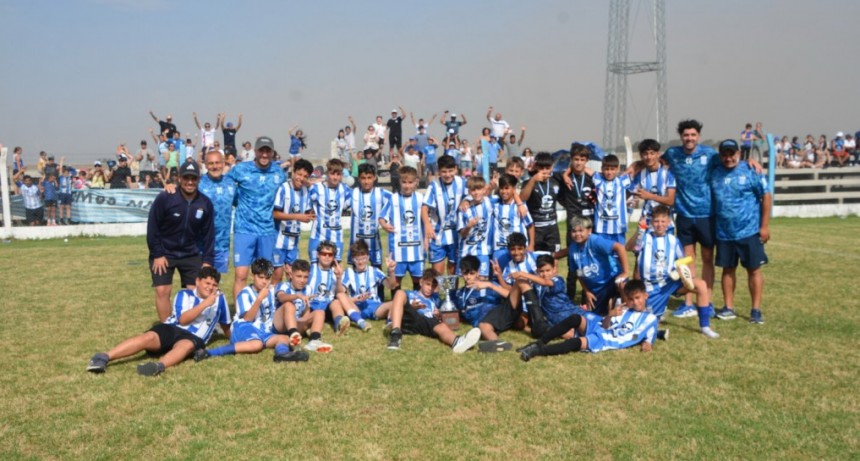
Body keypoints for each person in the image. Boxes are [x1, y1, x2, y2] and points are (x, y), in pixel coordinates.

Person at [87, 266, 231, 376]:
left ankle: (157, 367)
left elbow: (225, 324)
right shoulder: (184, 295)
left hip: (195, 337)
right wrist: (205, 303)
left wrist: (234, 338)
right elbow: (183, 320)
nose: (210, 288)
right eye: (207, 283)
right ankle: (104, 357)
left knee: (186, 346)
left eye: (214, 285)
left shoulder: (220, 300)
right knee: (148, 337)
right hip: (172, 328)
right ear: (198, 281)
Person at [659, 120, 720, 319]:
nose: (690, 138)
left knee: (708, 259)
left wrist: (750, 163)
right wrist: (633, 167)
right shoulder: (673, 154)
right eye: (686, 135)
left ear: (698, 136)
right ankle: (688, 303)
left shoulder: (710, 155)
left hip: (706, 215)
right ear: (681, 136)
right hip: (684, 215)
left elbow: (731, 163)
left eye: (693, 135)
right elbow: (652, 161)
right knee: (687, 260)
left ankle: (707, 301)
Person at [193, 258, 307, 363]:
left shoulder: (271, 291)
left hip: (265, 330)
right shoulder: (245, 293)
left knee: (284, 338)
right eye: (260, 277)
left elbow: (282, 296)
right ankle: (209, 353)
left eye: (267, 278)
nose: (264, 282)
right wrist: (259, 299)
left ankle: (282, 354)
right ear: (253, 277)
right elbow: (247, 318)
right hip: (243, 327)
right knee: (257, 344)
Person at [629, 205, 718, 338]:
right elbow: (629, 247)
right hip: (651, 289)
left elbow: (682, 261)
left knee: (701, 285)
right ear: (652, 222)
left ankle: (705, 326)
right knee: (643, 322)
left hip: (670, 283)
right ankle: (656, 329)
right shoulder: (645, 238)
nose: (659, 225)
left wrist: (683, 273)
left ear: (669, 222)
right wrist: (639, 230)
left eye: (663, 221)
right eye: (657, 221)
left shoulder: (673, 241)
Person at [519, 280, 660, 361]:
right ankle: (538, 342)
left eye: (638, 298)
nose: (634, 302)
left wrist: (647, 345)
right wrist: (610, 315)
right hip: (600, 327)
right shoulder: (622, 309)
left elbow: (649, 339)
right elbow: (605, 325)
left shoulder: (651, 319)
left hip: (607, 339)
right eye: (630, 299)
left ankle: (538, 351)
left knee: (576, 342)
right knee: (575, 318)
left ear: (645, 296)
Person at [711, 140, 771, 324]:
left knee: (754, 270)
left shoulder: (752, 170)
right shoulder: (714, 171)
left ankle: (756, 310)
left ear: (739, 153)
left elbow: (766, 197)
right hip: (724, 232)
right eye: (724, 154)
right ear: (720, 155)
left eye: (731, 154)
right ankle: (728, 307)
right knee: (728, 270)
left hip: (749, 231)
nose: (728, 158)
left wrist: (764, 226)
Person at [147, 160, 215, 322]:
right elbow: (152, 227)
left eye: (193, 178)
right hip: (164, 253)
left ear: (199, 179)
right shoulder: (166, 198)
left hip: (190, 253)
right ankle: (167, 329)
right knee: (162, 290)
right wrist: (157, 254)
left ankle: (193, 328)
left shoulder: (205, 203)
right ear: (179, 178)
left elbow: (209, 235)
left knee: (197, 292)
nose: (190, 182)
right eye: (186, 178)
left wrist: (207, 261)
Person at [225, 136, 287, 300]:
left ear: (272, 152)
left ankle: (263, 314)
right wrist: (237, 200)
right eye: (262, 150)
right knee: (241, 275)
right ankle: (240, 316)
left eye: (268, 151)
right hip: (244, 229)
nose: (265, 154)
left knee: (265, 276)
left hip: (267, 231)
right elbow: (226, 186)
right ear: (255, 151)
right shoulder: (240, 169)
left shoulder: (278, 173)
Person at [385, 269, 482, 353]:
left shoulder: (435, 299)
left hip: (424, 322)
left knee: (440, 326)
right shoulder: (410, 294)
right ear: (420, 282)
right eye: (427, 284)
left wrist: (439, 314)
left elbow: (444, 315)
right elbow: (395, 304)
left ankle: (457, 342)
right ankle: (395, 332)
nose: (430, 288)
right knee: (399, 293)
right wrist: (412, 307)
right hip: (407, 318)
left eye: (433, 286)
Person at [557, 215, 629, 316]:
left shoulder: (595, 241)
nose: (577, 234)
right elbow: (579, 272)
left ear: (589, 231)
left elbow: (619, 247)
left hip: (611, 280)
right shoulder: (572, 249)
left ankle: (629, 312)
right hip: (596, 289)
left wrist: (625, 272)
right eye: (574, 231)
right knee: (595, 318)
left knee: (623, 289)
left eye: (580, 230)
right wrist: (586, 291)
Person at [503, 254, 577, 338]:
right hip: (550, 319)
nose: (545, 274)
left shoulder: (558, 280)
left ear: (554, 269)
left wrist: (522, 274)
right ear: (537, 271)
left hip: (566, 314)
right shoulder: (536, 284)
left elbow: (545, 283)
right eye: (541, 271)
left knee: (574, 334)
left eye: (548, 270)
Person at [454, 255, 518, 352]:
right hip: (481, 323)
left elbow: (511, 296)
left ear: (478, 272)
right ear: (461, 272)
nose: (468, 277)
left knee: (483, 326)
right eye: (465, 273)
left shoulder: (488, 285)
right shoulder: (459, 293)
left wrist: (490, 285)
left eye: (472, 273)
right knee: (482, 326)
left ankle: (497, 343)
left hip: (497, 314)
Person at [557, 144, 596, 299]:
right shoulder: (564, 178)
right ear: (571, 160)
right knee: (572, 262)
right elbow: (559, 195)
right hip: (573, 226)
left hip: (589, 225)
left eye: (582, 159)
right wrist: (566, 173)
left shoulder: (592, 177)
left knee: (591, 261)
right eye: (575, 159)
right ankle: (570, 298)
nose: (578, 162)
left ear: (586, 161)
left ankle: (592, 296)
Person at [379, 166, 425, 287]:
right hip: (398, 249)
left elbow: (427, 217)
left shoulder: (420, 199)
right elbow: (382, 217)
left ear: (416, 182)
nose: (407, 185)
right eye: (404, 182)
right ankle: (396, 304)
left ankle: (416, 304)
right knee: (396, 281)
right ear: (399, 182)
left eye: (410, 182)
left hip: (417, 249)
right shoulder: (393, 198)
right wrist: (384, 225)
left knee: (418, 279)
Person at [422, 155, 467, 276]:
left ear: (456, 169)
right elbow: (424, 207)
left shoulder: (462, 182)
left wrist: (466, 200)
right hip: (438, 235)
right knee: (438, 272)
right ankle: (436, 295)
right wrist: (427, 225)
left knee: (453, 270)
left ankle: (451, 295)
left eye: (450, 171)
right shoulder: (434, 185)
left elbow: (473, 195)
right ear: (438, 171)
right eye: (444, 171)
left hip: (456, 235)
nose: (447, 174)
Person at [340, 241, 398, 332]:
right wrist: (356, 299)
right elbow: (340, 293)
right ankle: (360, 321)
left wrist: (391, 271)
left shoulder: (375, 271)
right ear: (352, 259)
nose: (360, 262)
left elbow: (391, 286)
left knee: (395, 303)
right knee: (340, 296)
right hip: (356, 307)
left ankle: (390, 324)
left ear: (368, 257)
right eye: (357, 259)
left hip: (374, 307)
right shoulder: (348, 272)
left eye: (363, 258)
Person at [274, 259, 329, 351]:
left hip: (295, 324)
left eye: (305, 277)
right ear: (291, 275)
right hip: (280, 325)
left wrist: (307, 322)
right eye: (299, 276)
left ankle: (314, 340)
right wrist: (297, 296)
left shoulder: (308, 289)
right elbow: (282, 298)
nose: (302, 280)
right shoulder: (283, 286)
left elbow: (305, 313)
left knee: (319, 312)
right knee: (289, 305)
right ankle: (293, 336)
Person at [273, 158, 314, 281]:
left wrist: (311, 215)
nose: (301, 178)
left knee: (294, 278)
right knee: (277, 276)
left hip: (293, 243)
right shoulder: (283, 189)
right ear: (293, 172)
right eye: (299, 174)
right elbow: (275, 214)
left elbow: (307, 213)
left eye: (305, 176)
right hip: (278, 242)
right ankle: (273, 300)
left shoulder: (306, 192)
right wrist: (298, 216)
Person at [198, 150, 237, 274]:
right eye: (211, 163)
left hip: (222, 245)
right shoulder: (198, 183)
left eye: (218, 163)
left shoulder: (231, 183)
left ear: (224, 163)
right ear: (205, 164)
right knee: (199, 283)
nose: (215, 166)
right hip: (201, 245)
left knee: (214, 283)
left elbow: (240, 203)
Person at [348, 163, 391, 272]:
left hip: (374, 241)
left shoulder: (381, 193)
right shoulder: (353, 193)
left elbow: (396, 200)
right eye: (363, 178)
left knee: (377, 270)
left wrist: (384, 218)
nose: (366, 181)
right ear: (359, 179)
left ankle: (379, 290)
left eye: (369, 178)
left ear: (374, 177)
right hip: (356, 241)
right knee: (356, 271)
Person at [307, 159, 352, 263]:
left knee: (335, 269)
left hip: (336, 235)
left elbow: (356, 200)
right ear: (327, 173)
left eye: (338, 174)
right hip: (318, 235)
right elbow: (304, 191)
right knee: (315, 268)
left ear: (341, 175)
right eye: (332, 174)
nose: (335, 177)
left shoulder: (345, 190)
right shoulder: (317, 188)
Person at [307, 240, 351, 341]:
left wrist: (339, 278)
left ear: (333, 258)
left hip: (328, 306)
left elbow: (340, 292)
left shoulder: (335, 271)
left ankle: (339, 324)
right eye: (323, 254)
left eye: (330, 255)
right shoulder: (310, 269)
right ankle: (309, 326)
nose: (326, 257)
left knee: (336, 302)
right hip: (312, 306)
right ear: (318, 255)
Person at [521, 152, 560, 253]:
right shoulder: (529, 182)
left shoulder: (555, 181)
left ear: (552, 167)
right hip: (536, 228)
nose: (545, 171)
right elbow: (522, 198)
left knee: (554, 258)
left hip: (552, 228)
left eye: (548, 168)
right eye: (542, 168)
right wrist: (533, 180)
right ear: (536, 167)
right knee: (535, 260)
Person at [491, 174, 534, 263]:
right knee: (499, 275)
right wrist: (466, 201)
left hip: (517, 249)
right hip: (500, 248)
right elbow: (481, 197)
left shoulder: (520, 206)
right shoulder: (495, 203)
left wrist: (531, 245)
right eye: (501, 188)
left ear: (513, 189)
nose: (503, 191)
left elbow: (530, 225)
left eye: (507, 188)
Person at [591, 154, 632, 244]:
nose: (609, 172)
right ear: (602, 169)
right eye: (606, 169)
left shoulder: (623, 180)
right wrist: (567, 173)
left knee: (619, 254)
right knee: (601, 255)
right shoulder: (598, 179)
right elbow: (583, 168)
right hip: (601, 228)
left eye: (612, 169)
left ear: (617, 169)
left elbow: (636, 168)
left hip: (619, 228)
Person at [458, 175, 494, 278]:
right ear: (469, 191)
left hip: (483, 251)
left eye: (479, 189)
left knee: (482, 280)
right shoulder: (463, 209)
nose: (476, 192)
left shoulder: (489, 202)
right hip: (467, 251)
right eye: (473, 190)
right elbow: (462, 233)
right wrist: (469, 226)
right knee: (469, 279)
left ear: (484, 190)